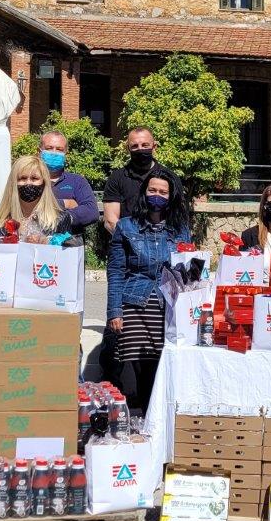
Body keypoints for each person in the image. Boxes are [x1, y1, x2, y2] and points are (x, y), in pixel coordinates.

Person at [106, 168, 191, 411]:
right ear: (144, 193)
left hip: (167, 308)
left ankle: (154, 422)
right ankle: (135, 422)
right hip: (134, 304)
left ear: (171, 196)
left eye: (163, 192)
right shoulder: (126, 227)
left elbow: (188, 274)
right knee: (133, 371)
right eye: (152, 190)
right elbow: (116, 271)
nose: (157, 195)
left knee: (159, 368)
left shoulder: (180, 229)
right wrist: (114, 311)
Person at [102, 127, 182, 233]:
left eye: (145, 145)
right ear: (128, 149)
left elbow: (177, 216)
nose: (140, 149)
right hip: (127, 243)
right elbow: (110, 221)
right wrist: (134, 240)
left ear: (154, 147)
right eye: (135, 146)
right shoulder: (117, 178)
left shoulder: (170, 178)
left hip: (163, 243)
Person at [0, 154, 73, 241]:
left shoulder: (60, 219)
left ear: (44, 183)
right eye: (22, 178)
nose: (28, 183)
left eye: (34, 178)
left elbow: (67, 252)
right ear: (13, 183)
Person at [40, 130, 100, 237]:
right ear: (39, 150)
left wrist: (64, 217)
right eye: (49, 148)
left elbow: (91, 211)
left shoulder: (77, 181)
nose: (54, 152)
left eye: (59, 149)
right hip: (35, 245)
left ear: (66, 153)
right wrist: (67, 203)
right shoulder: (30, 180)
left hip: (68, 247)